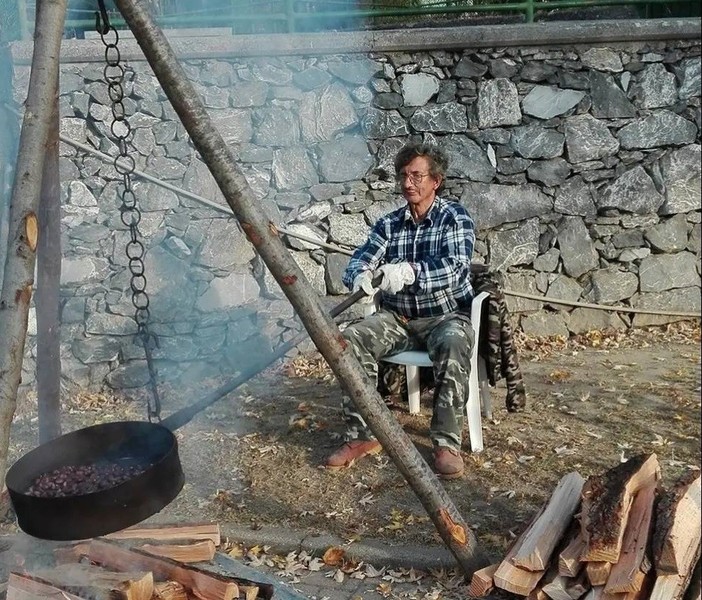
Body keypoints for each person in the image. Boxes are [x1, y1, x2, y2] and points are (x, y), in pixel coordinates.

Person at [325, 142, 476, 479]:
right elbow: (359, 260)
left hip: (445, 316)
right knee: (350, 339)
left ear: (435, 181)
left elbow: (456, 268)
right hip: (399, 319)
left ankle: (446, 443)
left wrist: (410, 272)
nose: (408, 183)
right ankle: (362, 436)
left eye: (417, 176)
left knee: (454, 342)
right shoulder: (389, 224)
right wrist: (360, 277)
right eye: (404, 176)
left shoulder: (455, 218)